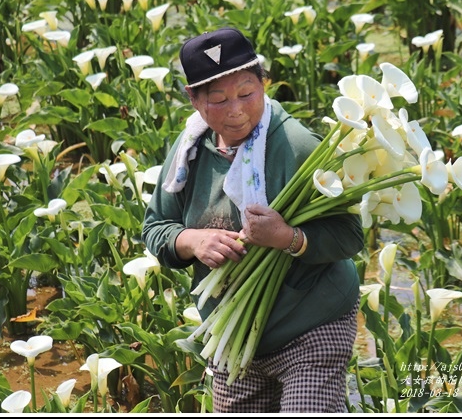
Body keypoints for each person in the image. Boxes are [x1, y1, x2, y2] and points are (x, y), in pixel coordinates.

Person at [141, 26, 365, 413]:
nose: (236, 110)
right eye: (218, 100)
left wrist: (287, 237)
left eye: (247, 93)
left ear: (264, 83)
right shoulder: (189, 151)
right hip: (233, 334)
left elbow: (349, 235)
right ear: (193, 100)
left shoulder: (296, 145)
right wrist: (192, 241)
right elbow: (156, 227)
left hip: (311, 321)